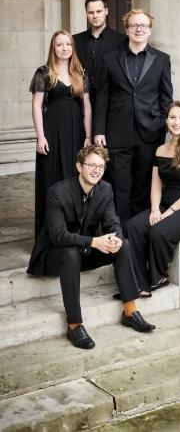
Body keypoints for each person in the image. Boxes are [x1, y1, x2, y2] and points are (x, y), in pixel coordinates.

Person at [27, 146, 155, 349]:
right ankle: (74, 324)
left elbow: (112, 222)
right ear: (79, 166)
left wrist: (115, 238)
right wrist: (94, 242)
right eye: (92, 165)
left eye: (101, 167)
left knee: (124, 244)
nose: (97, 170)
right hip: (54, 255)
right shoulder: (57, 192)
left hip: (84, 252)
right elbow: (58, 236)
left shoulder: (105, 189)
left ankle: (130, 311)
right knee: (70, 254)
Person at [94, 8, 173, 223]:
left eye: (143, 25)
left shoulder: (162, 59)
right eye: (134, 25)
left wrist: (162, 124)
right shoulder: (110, 59)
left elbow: (166, 98)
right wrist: (99, 130)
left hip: (150, 132)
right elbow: (102, 97)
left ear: (150, 30)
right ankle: (121, 232)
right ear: (127, 29)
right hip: (117, 132)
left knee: (144, 183)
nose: (139, 29)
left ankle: (138, 230)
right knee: (119, 184)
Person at [125, 101, 180, 295]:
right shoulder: (160, 150)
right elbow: (156, 184)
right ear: (167, 121)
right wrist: (155, 209)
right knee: (132, 227)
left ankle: (158, 277)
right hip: (164, 206)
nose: (176, 122)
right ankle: (138, 282)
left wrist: (169, 212)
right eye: (172, 117)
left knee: (158, 231)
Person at [30, 30, 92, 237]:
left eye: (68, 44)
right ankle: (49, 233)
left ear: (73, 48)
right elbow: (36, 106)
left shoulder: (79, 73)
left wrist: (88, 136)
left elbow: (87, 107)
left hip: (76, 132)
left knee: (74, 177)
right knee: (52, 178)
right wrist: (40, 136)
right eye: (59, 45)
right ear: (53, 48)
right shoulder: (44, 73)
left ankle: (72, 231)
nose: (64, 48)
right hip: (52, 133)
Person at [73, 0, 126, 111]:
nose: (95, 16)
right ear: (86, 14)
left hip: (110, 104)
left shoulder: (121, 40)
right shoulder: (75, 40)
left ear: (106, 11)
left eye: (99, 11)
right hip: (80, 103)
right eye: (91, 12)